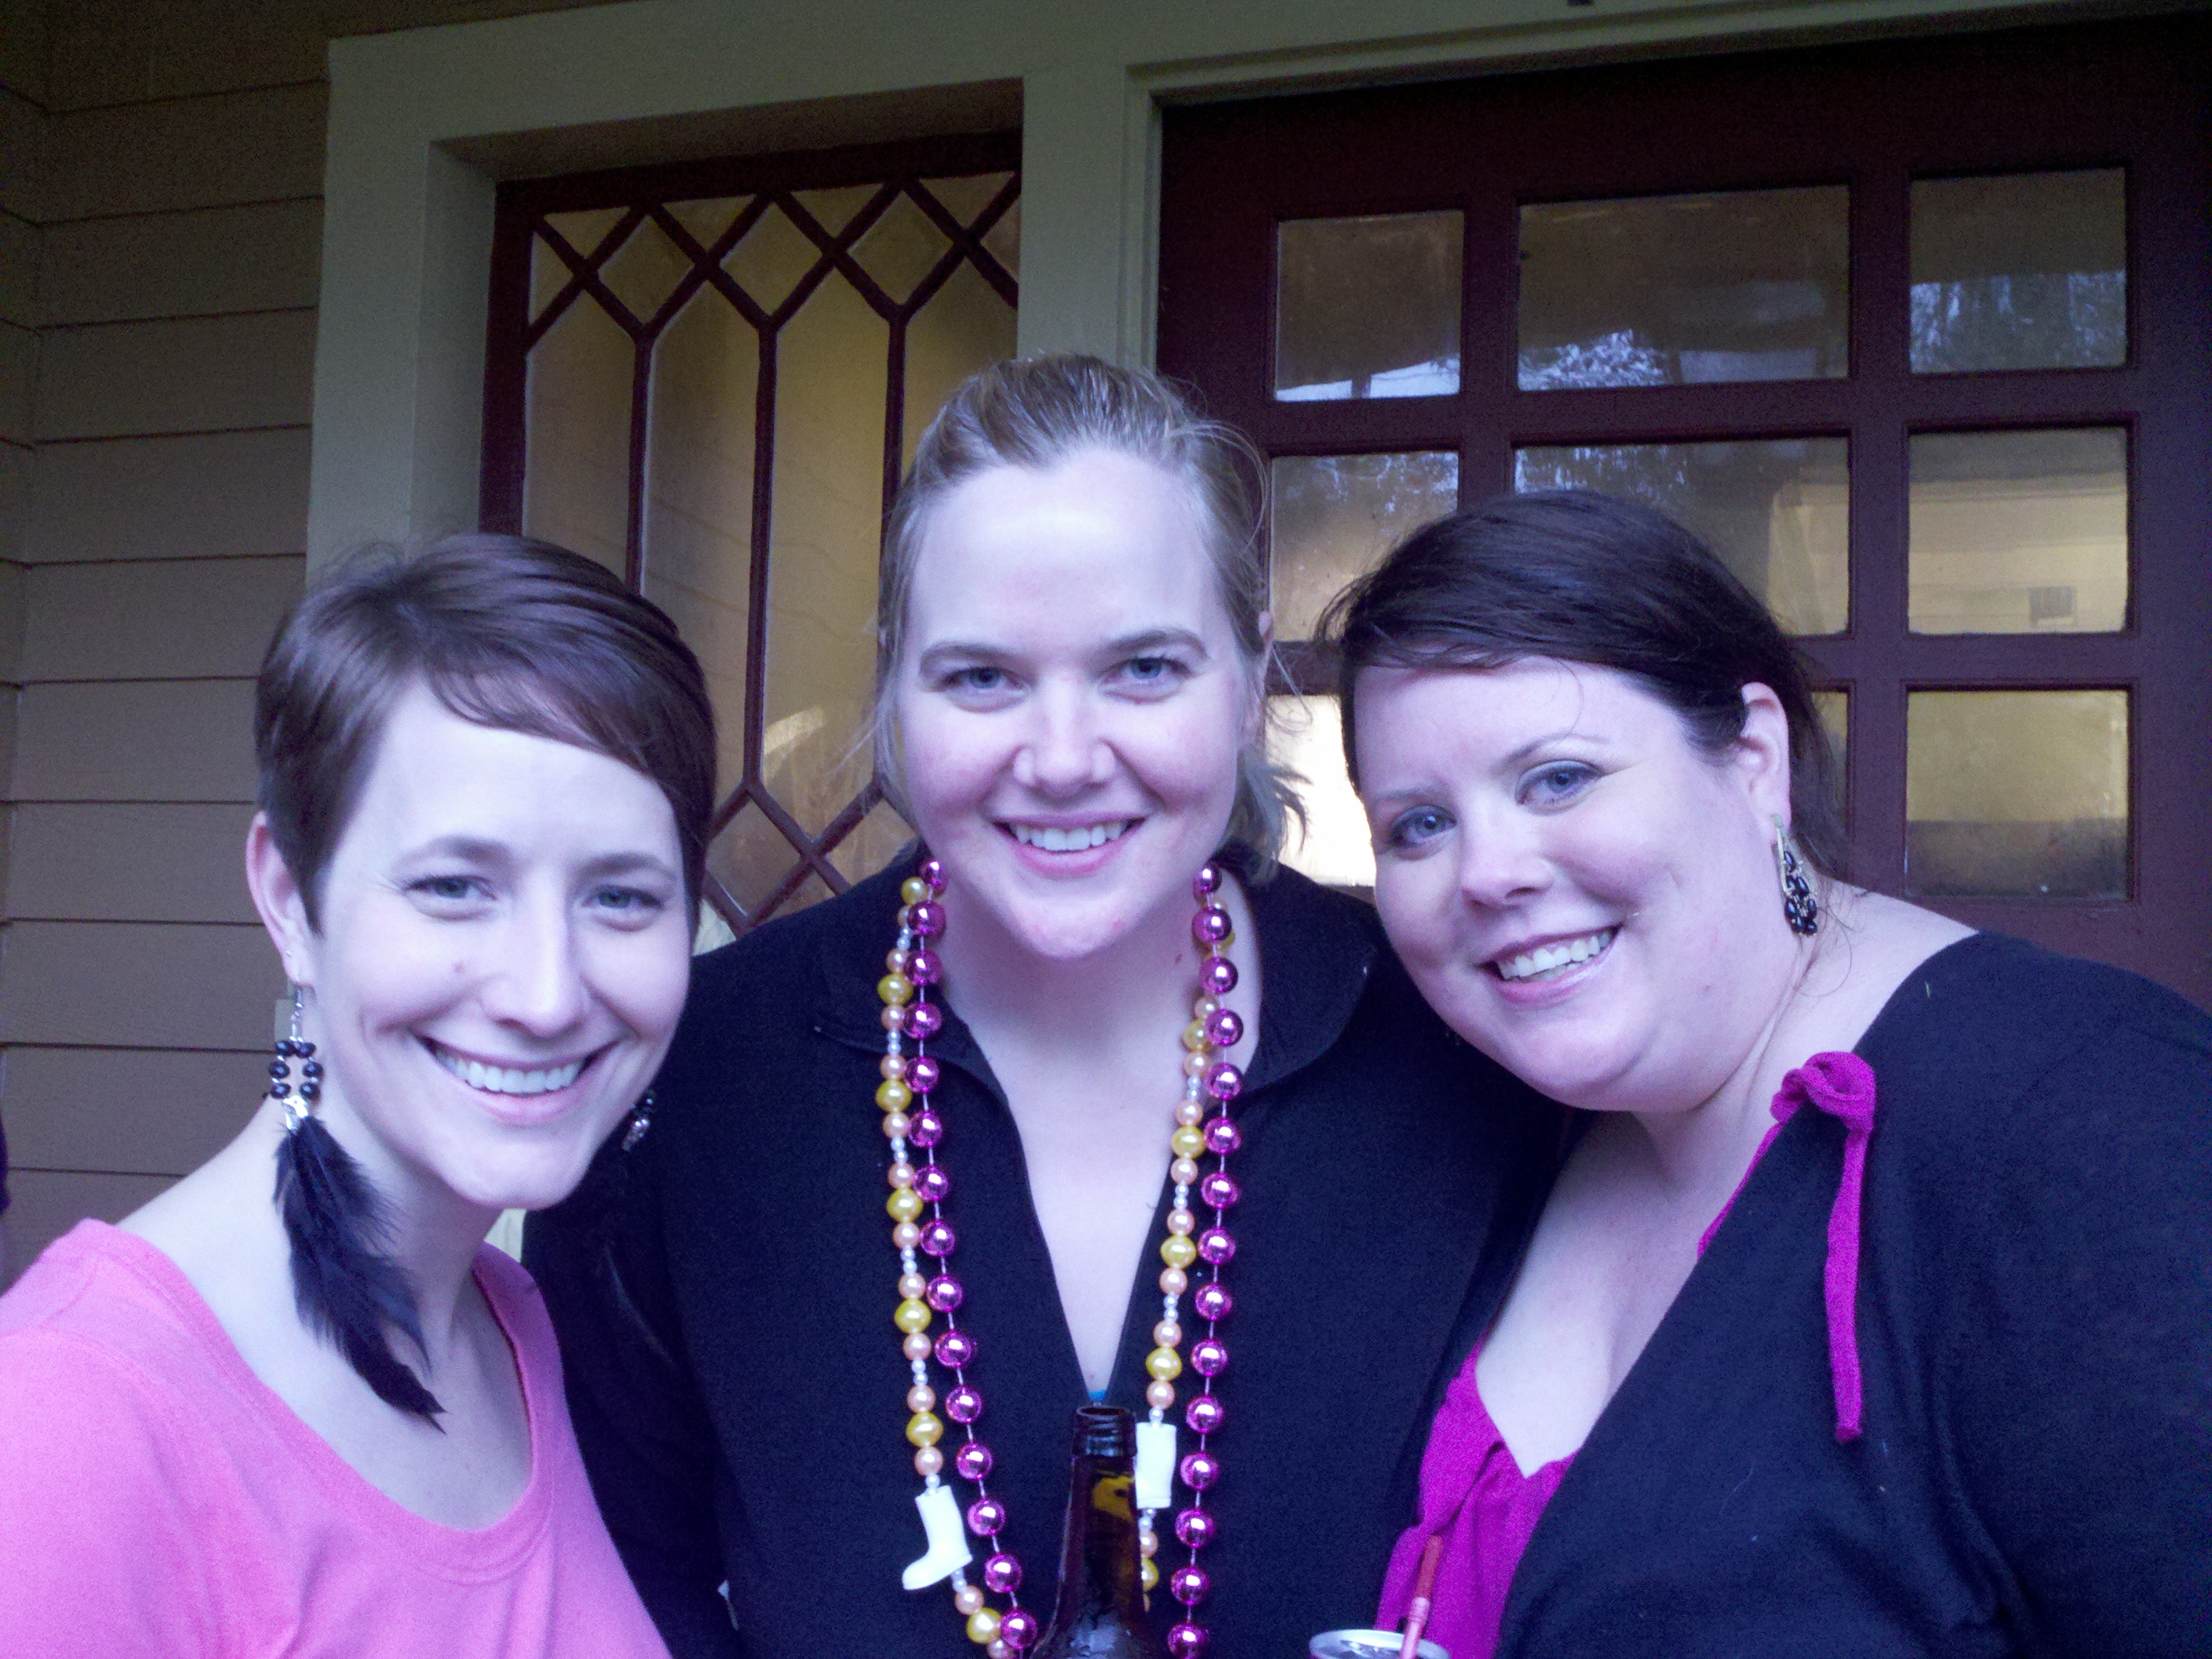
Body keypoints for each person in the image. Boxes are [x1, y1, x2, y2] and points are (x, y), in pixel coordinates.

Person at [527, 356, 1559, 1658]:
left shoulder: (1460, 1049)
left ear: (1250, 681)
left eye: (1145, 668)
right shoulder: (691, 1082)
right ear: (893, 690)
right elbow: (622, 1591)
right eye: (981, 678)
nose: (1064, 760)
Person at [1327, 491, 2212, 1657]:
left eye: (1559, 778)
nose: (1487, 873)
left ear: (1752, 757)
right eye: (1418, 826)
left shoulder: (2086, 1123)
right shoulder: (1514, 1134)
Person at [0, 536, 717, 1658]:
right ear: (291, 899)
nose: (546, 994)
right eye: (454, 886)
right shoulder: (66, 1424)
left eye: (621, 897)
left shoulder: (509, 1325)